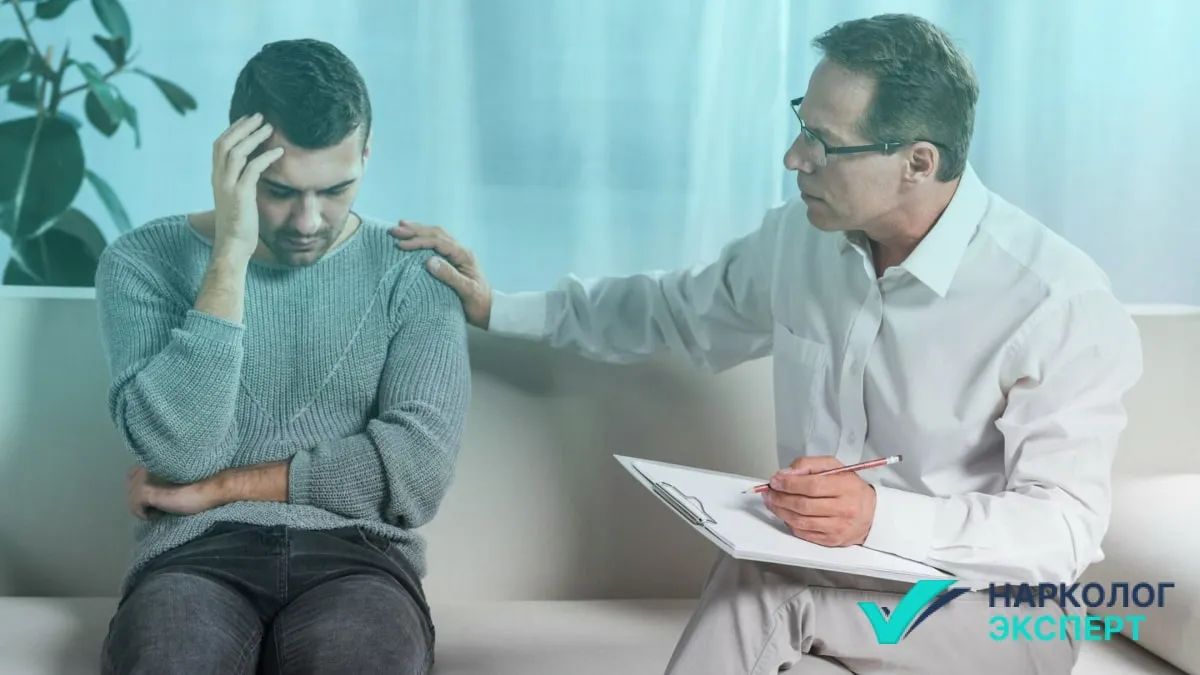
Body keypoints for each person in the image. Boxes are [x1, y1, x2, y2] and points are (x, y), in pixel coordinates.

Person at [390, 13, 1143, 675]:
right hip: (842, 584)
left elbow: (1064, 530)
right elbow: (672, 311)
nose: (793, 158)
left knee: (764, 587)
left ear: (918, 162)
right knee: (762, 581)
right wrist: (499, 309)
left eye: (824, 143)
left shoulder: (1055, 300)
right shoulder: (801, 241)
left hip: (992, 611)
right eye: (801, 124)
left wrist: (876, 517)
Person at [93, 38, 470, 674]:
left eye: (336, 189)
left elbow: (416, 475)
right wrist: (230, 255)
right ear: (234, 164)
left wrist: (222, 487)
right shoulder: (141, 263)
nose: (307, 221)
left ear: (366, 155)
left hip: (359, 559)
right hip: (194, 557)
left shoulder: (413, 273)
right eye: (279, 190)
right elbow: (178, 452)